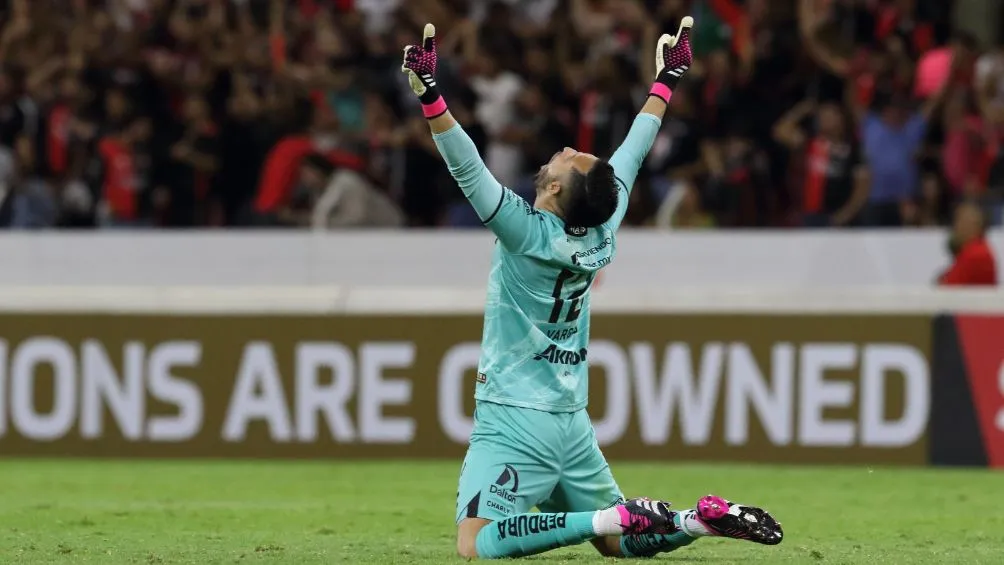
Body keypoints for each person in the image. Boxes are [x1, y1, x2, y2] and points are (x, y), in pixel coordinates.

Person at [401, 18, 783, 560]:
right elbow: (634, 150)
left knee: (477, 544)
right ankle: (695, 521)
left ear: (555, 187)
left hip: (513, 413)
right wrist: (665, 83)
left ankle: (610, 513)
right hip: (570, 418)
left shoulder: (525, 232)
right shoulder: (604, 226)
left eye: (569, 158)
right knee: (618, 544)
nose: (563, 149)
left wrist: (431, 97)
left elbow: (467, 167)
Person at [937, 200, 997, 286]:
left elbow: (949, 288)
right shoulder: (975, 251)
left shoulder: (975, 254)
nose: (956, 228)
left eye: (959, 221)